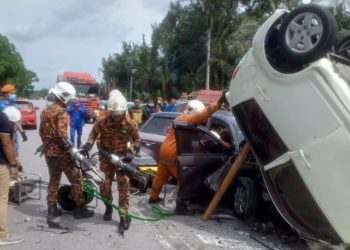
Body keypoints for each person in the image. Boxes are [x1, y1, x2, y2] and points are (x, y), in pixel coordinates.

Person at [149, 93, 229, 215]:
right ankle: (181, 206)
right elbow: (201, 116)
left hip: (164, 152)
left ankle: (153, 197)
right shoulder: (188, 119)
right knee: (185, 179)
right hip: (173, 154)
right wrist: (217, 104)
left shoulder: (179, 119)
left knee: (161, 176)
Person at [82, 89, 140, 234]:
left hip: (122, 159)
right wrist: (88, 144)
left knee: (123, 186)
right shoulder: (102, 121)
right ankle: (108, 206)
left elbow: (137, 141)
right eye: (113, 114)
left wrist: (131, 150)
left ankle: (123, 215)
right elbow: (93, 134)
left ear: (124, 111)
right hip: (105, 158)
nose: (115, 117)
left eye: (118, 114)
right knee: (104, 185)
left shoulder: (130, 124)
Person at [39, 81, 94, 226]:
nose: (70, 101)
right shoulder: (62, 112)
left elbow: (41, 132)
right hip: (62, 154)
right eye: (69, 98)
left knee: (54, 179)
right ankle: (79, 209)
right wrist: (72, 151)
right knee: (77, 179)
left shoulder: (45, 111)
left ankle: (52, 209)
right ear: (64, 97)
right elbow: (63, 135)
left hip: (49, 154)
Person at [0, 110, 23, 245]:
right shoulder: (2, 118)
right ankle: (2, 235)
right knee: (2, 199)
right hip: (1, 164)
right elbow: (6, 143)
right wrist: (13, 165)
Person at [0, 84, 27, 155]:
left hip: (14, 137)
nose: (14, 95)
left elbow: (16, 121)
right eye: (12, 93)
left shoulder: (14, 105)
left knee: (14, 154)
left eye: (14, 93)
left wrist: (22, 132)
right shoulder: (2, 106)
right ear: (5, 94)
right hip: (4, 136)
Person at [3, 107, 23, 173]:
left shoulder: (11, 126)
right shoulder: (4, 128)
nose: (14, 125)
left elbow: (11, 143)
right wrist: (13, 164)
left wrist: (15, 158)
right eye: (13, 123)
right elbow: (6, 144)